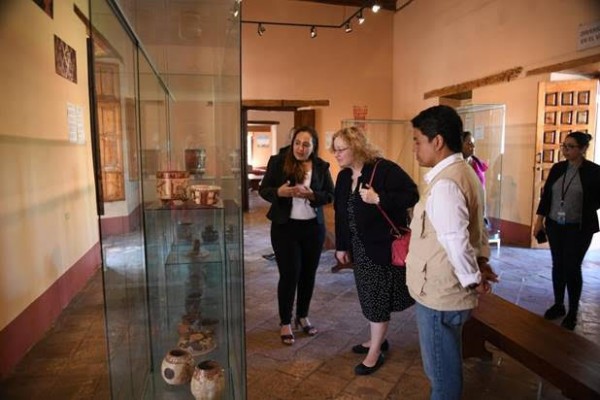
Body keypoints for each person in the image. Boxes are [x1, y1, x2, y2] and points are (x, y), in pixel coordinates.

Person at [407, 105, 498, 400]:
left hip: (441, 294)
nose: (415, 148)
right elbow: (477, 229)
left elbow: (456, 240)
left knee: (442, 377)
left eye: (418, 140)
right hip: (446, 290)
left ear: (437, 141)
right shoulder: (463, 171)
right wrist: (481, 263)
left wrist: (473, 278)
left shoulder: (446, 183)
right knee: (447, 364)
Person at [331, 126, 419, 375]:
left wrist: (379, 198)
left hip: (380, 247)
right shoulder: (344, 177)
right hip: (358, 248)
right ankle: (377, 339)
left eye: (340, 149)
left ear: (356, 147)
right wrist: (341, 246)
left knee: (376, 296)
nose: (336, 155)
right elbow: (341, 215)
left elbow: (412, 194)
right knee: (368, 295)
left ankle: (375, 352)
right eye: (334, 150)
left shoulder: (384, 170)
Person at [259, 126, 334, 345]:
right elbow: (264, 189)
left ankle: (302, 316)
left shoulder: (321, 166)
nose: (301, 148)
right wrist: (278, 193)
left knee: (308, 275)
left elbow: (329, 195)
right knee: (289, 274)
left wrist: (313, 195)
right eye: (297, 143)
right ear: (292, 143)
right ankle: (285, 321)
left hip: (313, 229)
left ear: (313, 146)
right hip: (285, 228)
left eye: (306, 144)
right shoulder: (278, 161)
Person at [533, 131, 600, 330]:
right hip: (555, 225)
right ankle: (558, 304)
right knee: (558, 265)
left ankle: (573, 312)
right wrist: (540, 221)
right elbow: (547, 196)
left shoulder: (594, 171)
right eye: (564, 146)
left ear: (583, 149)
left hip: (578, 228)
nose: (566, 150)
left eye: (571, 147)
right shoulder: (558, 168)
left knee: (572, 266)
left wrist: (584, 207)